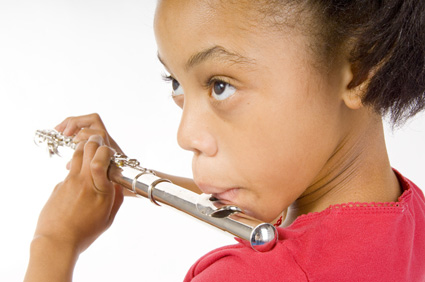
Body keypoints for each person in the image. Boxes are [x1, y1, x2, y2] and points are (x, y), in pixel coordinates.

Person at [24, 0, 425, 281]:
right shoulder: (409, 212)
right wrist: (133, 178)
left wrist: (54, 244)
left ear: (360, 70)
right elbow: (304, 236)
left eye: (220, 85)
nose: (185, 136)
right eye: (176, 82)